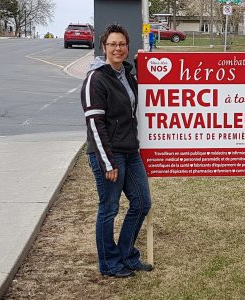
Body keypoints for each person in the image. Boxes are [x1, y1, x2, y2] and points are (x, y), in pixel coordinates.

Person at [80, 24, 152, 278]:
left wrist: (146, 59)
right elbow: (95, 124)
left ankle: (126, 254)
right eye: (112, 44)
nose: (118, 48)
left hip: (131, 152)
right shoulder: (96, 78)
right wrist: (107, 162)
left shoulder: (126, 75)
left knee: (142, 203)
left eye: (122, 44)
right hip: (109, 154)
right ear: (104, 47)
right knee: (109, 208)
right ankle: (109, 263)